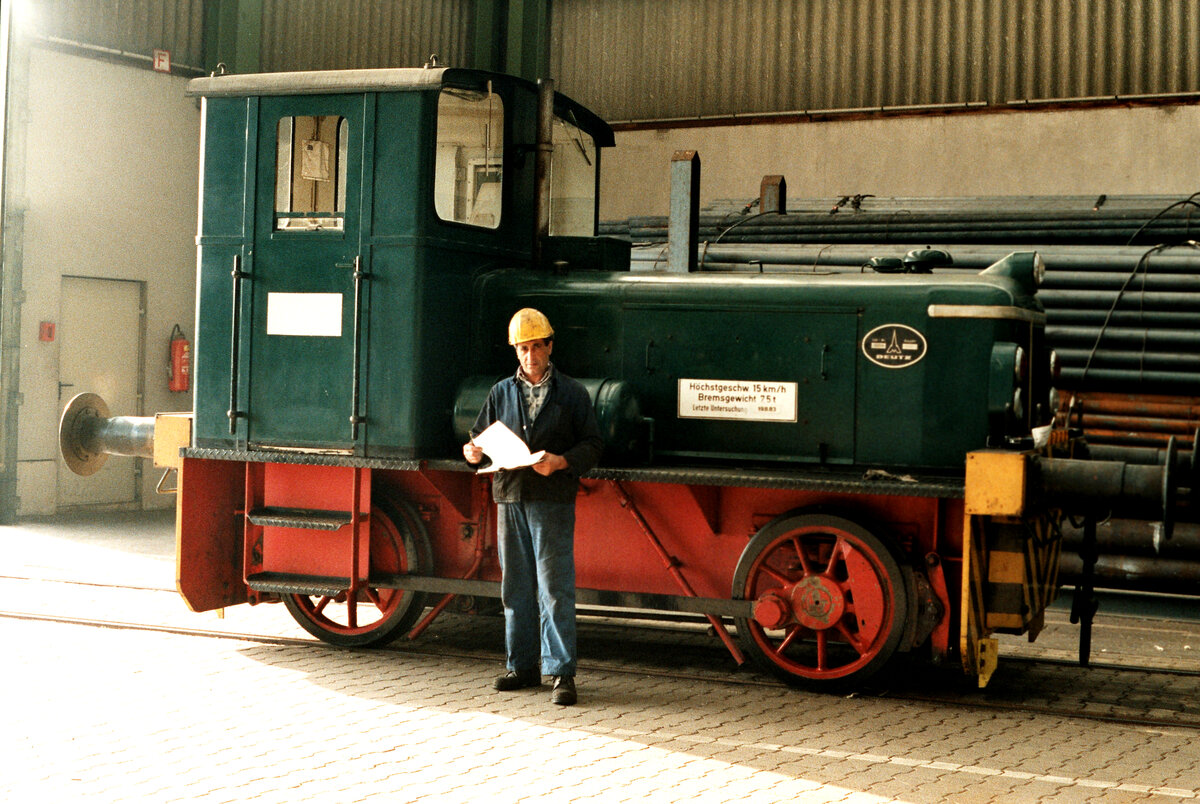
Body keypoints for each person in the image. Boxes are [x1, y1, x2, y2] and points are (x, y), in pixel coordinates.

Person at [463, 308, 604, 706]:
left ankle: (561, 673)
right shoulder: (500, 393)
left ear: (549, 347)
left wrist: (560, 462)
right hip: (510, 497)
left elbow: (592, 444)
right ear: (516, 352)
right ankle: (521, 666)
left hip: (551, 500)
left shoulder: (572, 393)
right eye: (522, 349)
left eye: (536, 347)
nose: (529, 356)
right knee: (516, 586)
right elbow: (479, 437)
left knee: (554, 587)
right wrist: (472, 452)